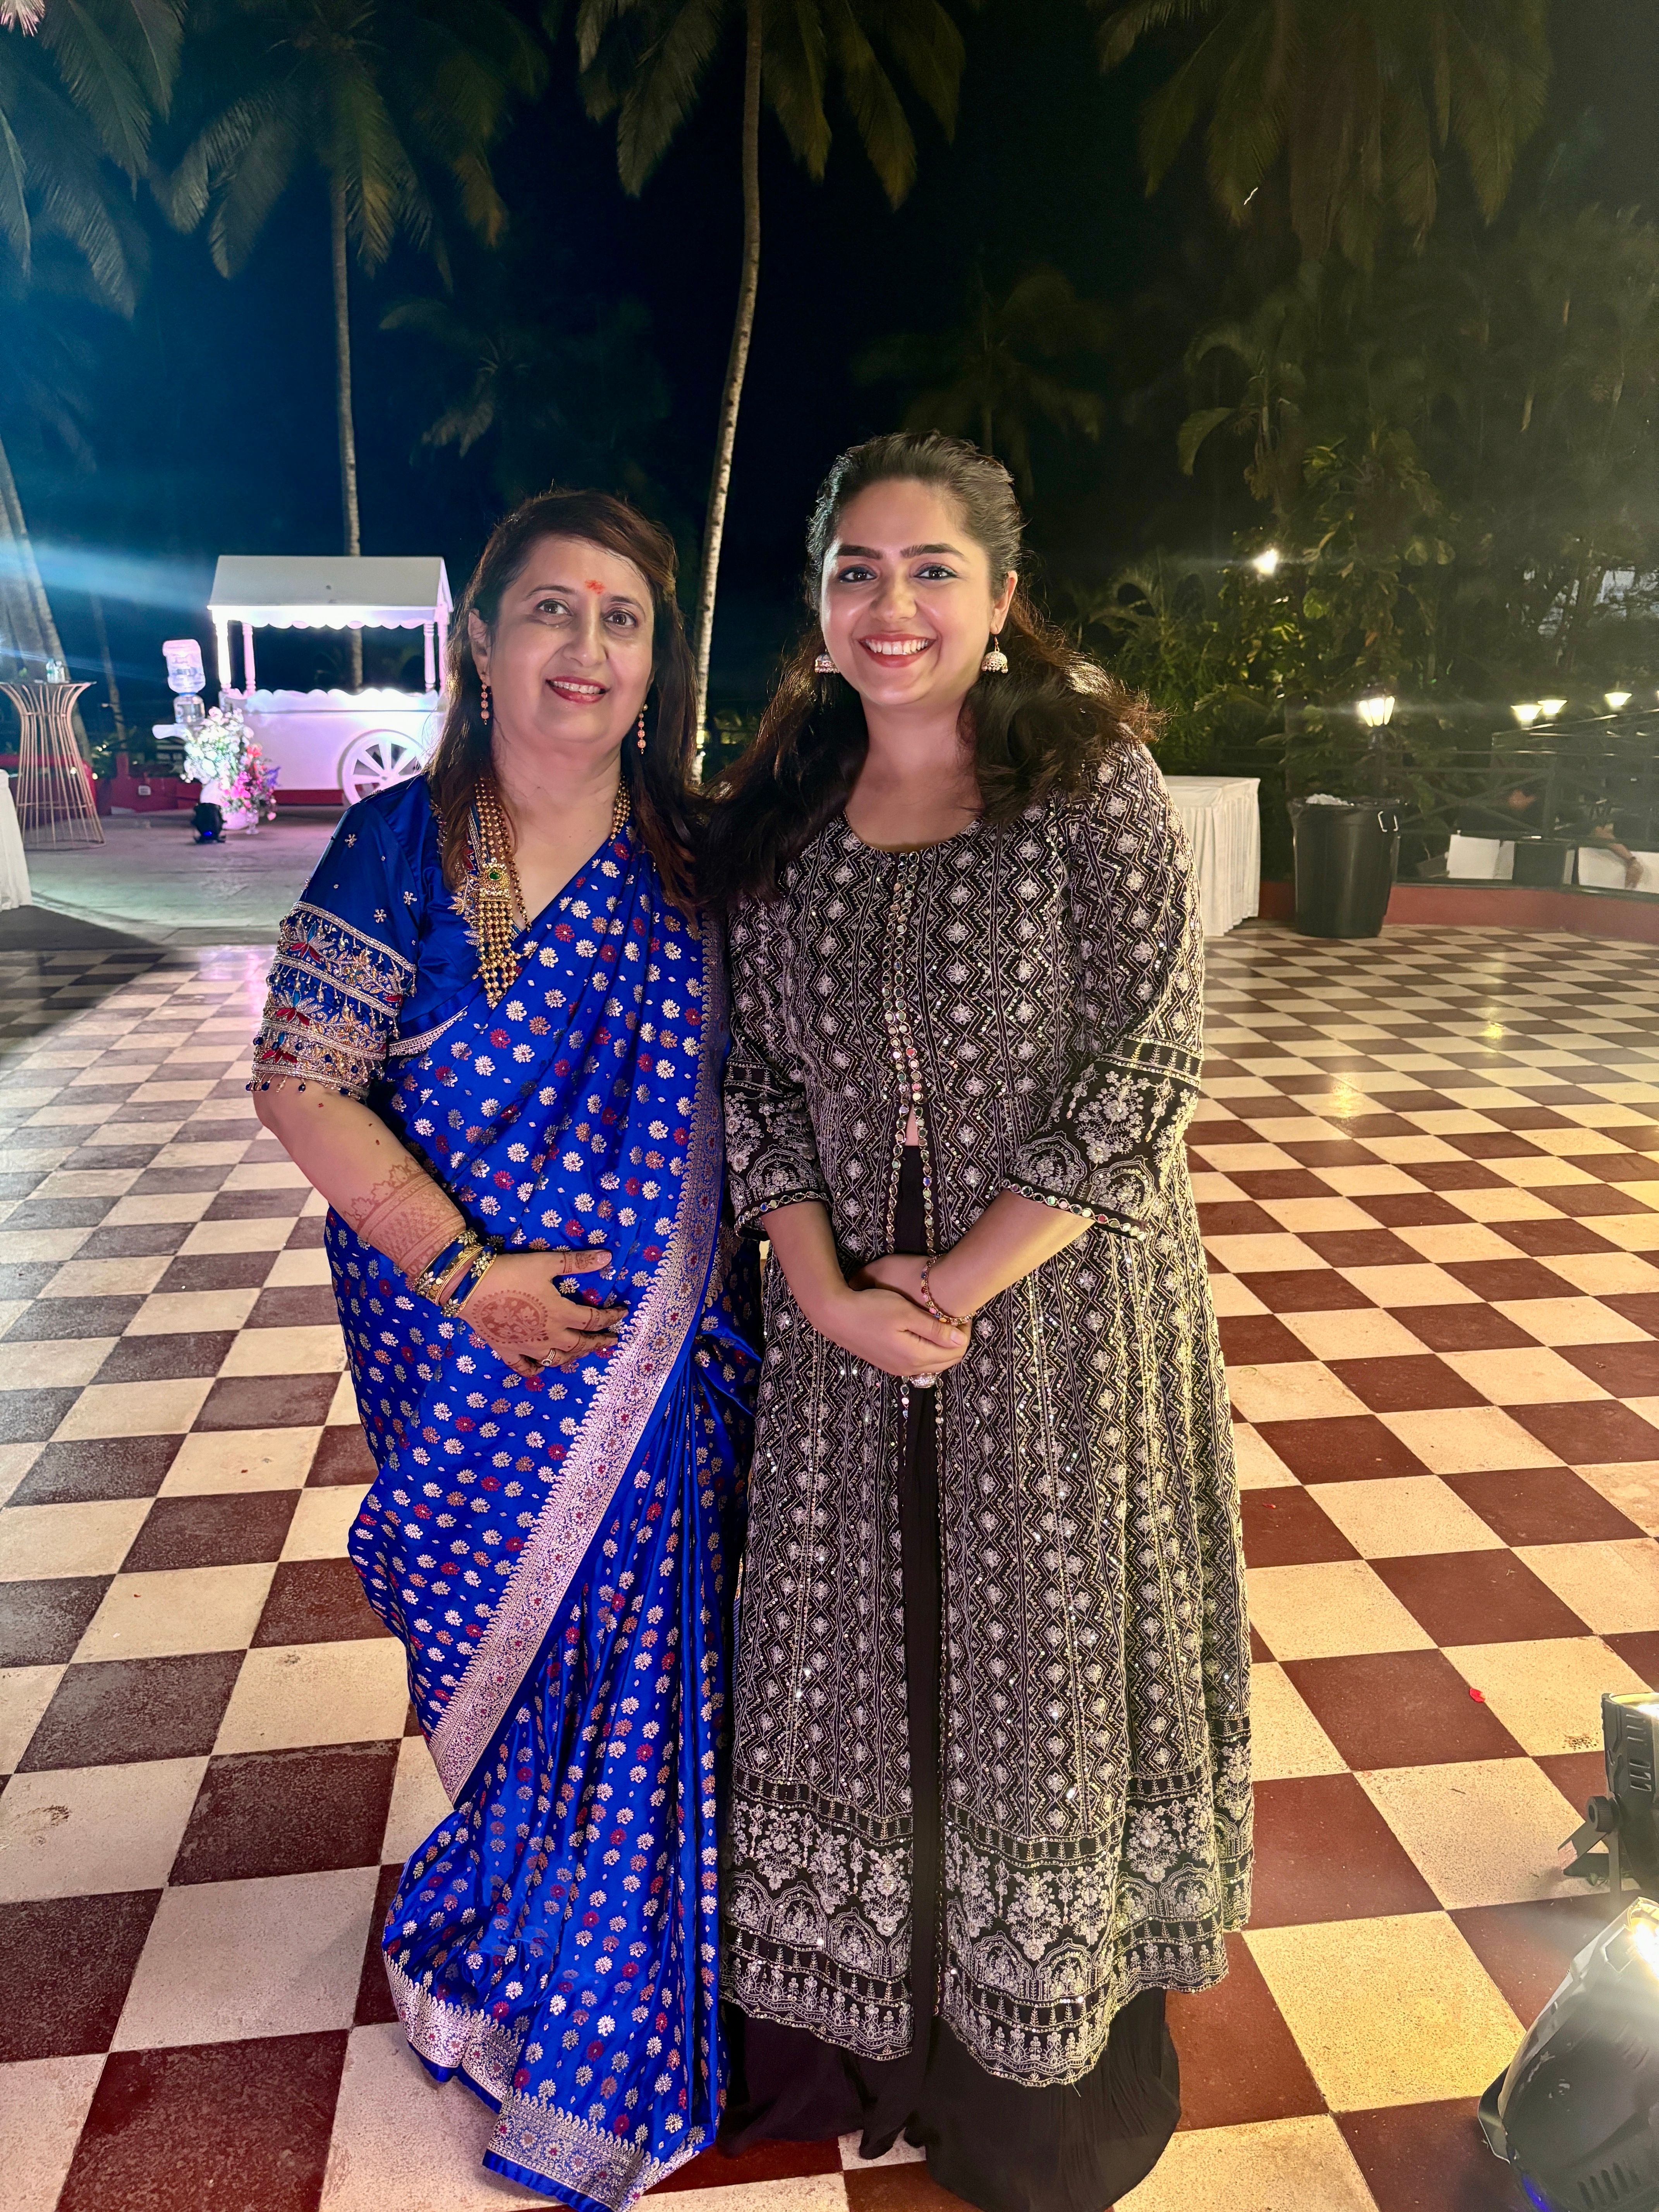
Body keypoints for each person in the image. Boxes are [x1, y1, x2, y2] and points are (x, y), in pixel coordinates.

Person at [704, 433, 1252, 2212]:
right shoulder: (784, 821)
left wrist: (954, 1282)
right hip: (845, 1343)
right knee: (859, 1676)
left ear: (1004, 598)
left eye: (933, 569)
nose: (893, 606)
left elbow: (1144, 1072)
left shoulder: (1092, 793)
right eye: (856, 571)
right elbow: (753, 1082)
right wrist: (821, 1287)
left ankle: (1033, 2084)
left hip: (1064, 1328)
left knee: (1039, 1680)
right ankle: (853, 2042)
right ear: (818, 605)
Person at [250, 490, 757, 2209]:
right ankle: (508, 1933)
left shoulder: (703, 862)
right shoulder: (397, 849)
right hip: (459, 1356)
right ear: (480, 637)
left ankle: (613, 2008)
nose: (586, 649)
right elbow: (300, 1085)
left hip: (658, 1362)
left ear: (655, 658)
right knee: (506, 1654)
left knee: (641, 1654)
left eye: (622, 618)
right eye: (552, 609)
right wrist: (473, 1281)